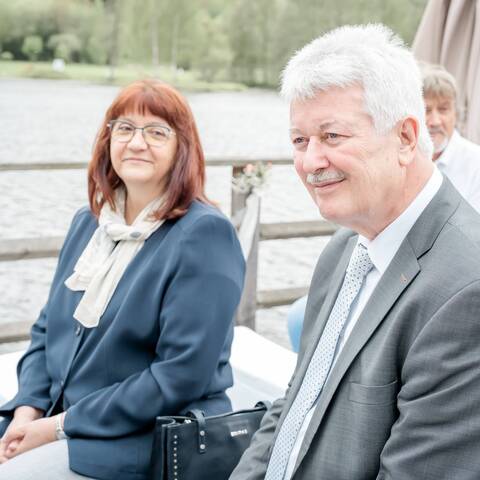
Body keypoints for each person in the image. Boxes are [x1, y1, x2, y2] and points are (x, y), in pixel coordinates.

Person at [230, 24, 480, 480]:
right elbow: (297, 400)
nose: (310, 162)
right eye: (300, 140)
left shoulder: (466, 289)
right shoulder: (345, 248)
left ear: (406, 138)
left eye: (332, 136)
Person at [0, 79, 245, 480]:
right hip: (59, 417)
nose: (137, 142)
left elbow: (180, 376)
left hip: (145, 438)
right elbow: (47, 331)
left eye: (156, 132)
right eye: (125, 128)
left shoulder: (205, 235)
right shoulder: (89, 223)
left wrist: (57, 426)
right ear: (108, 139)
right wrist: (27, 410)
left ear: (182, 148)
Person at [422, 62, 480, 212]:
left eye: (443, 109)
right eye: (426, 110)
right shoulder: (404, 158)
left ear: (456, 113)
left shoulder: (476, 163)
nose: (435, 121)